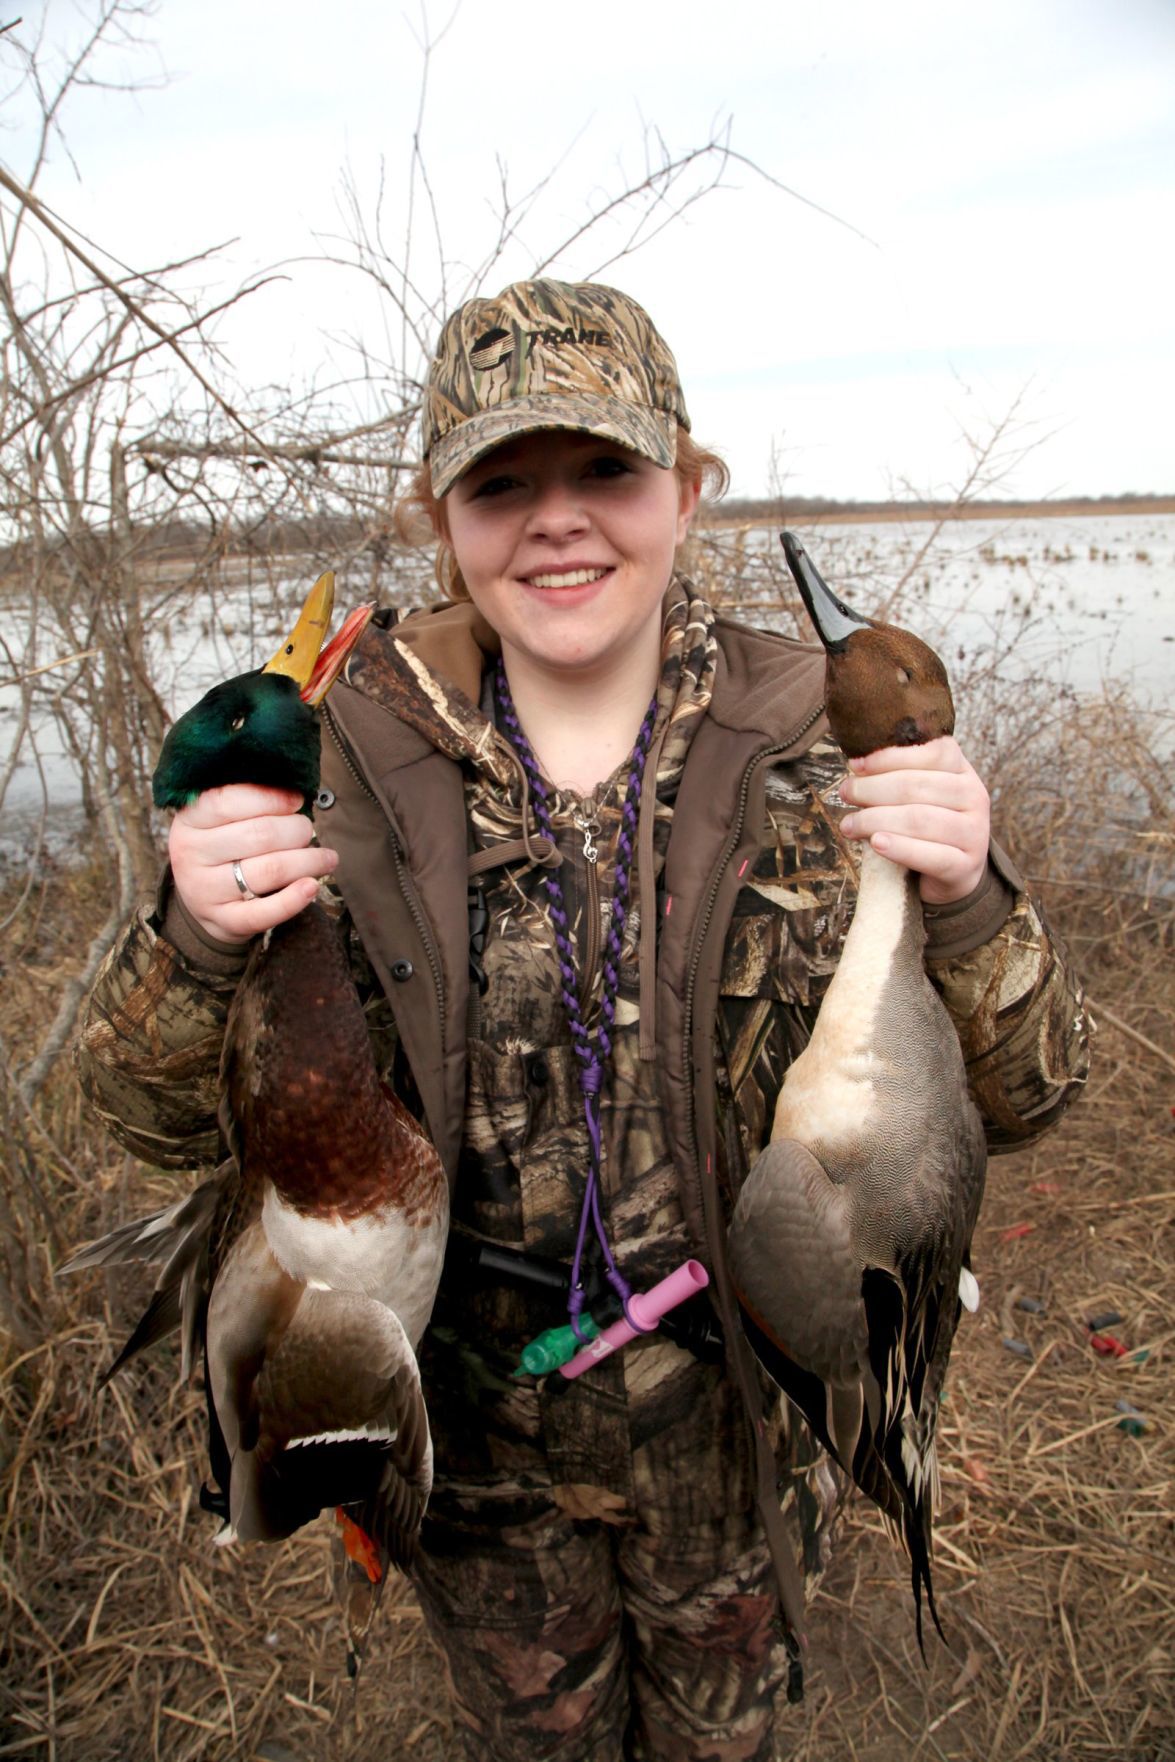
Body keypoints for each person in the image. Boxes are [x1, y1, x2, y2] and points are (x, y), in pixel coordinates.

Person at [77, 279, 1090, 1760]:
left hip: (737, 1450)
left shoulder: (824, 743)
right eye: (502, 483)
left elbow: (1033, 1088)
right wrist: (195, 931)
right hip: (479, 1478)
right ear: (444, 516)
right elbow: (144, 1118)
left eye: (606, 471)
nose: (558, 520)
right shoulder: (335, 755)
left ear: (686, 489)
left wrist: (969, 890)